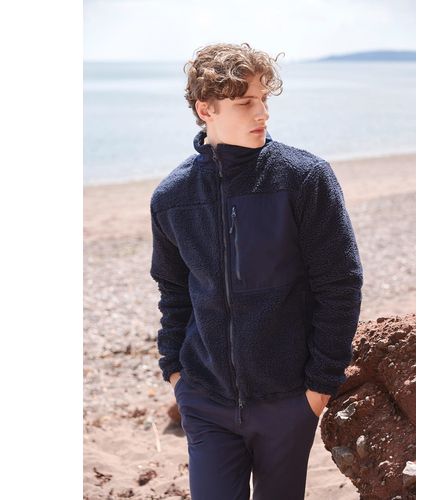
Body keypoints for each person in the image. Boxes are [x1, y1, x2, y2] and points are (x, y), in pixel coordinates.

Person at [149, 42, 363, 500]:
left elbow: (340, 283)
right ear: (205, 109)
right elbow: (173, 291)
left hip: (287, 401)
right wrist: (175, 373)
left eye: (263, 99)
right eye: (246, 102)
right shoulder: (172, 198)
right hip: (204, 400)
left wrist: (319, 388)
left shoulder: (304, 178)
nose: (262, 112)